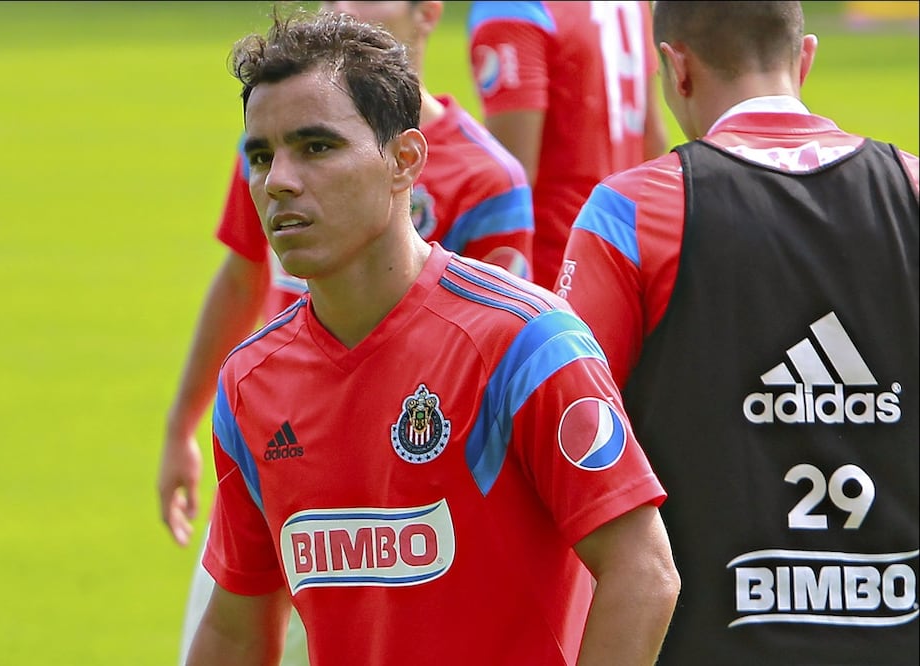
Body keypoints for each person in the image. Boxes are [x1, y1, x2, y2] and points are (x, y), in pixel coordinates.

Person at [184, 9, 680, 666]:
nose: (278, 180)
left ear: (405, 160)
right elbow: (235, 628)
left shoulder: (524, 344)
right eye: (260, 155)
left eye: (317, 146)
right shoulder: (252, 382)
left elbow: (644, 572)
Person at [160, 2, 535, 663]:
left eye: (317, 148)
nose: (281, 178)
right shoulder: (281, 145)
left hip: (409, 479)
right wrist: (181, 426)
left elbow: (490, 354)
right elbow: (244, 275)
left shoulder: (487, 179)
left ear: (428, 12)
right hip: (277, 439)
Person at [558, 2, 919, 664]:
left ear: (676, 67)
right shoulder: (912, 190)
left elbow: (570, 439)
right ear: (804, 57)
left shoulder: (631, 212)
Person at [466, 0, 669, 289]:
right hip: (622, 264)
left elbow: (514, 178)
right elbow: (654, 140)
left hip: (549, 277)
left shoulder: (513, 6)